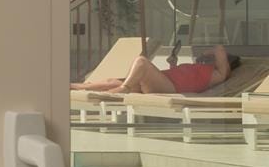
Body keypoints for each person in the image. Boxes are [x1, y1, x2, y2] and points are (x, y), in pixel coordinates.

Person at [72, 43, 239, 95]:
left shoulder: (219, 74)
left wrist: (205, 53)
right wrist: (173, 64)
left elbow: (220, 49)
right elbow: (182, 77)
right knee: (112, 81)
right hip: (165, 82)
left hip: (170, 88)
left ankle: (125, 89)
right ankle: (78, 87)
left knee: (141, 62)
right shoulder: (200, 68)